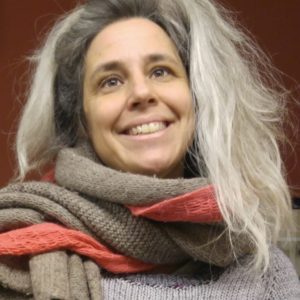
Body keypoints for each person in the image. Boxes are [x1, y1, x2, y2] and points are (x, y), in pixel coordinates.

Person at [0, 0, 299, 299]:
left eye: (160, 72)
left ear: (196, 97)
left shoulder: (265, 271)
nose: (142, 93)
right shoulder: (18, 259)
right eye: (111, 81)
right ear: (82, 119)